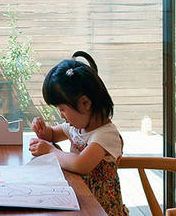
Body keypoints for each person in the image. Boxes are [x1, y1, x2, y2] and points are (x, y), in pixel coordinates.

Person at [29, 51, 128, 215]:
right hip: (80, 201)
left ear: (85, 103)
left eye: (62, 109)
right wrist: (43, 131)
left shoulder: (105, 135)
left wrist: (50, 151)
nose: (61, 115)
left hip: (101, 210)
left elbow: (80, 164)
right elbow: (52, 135)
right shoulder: (77, 127)